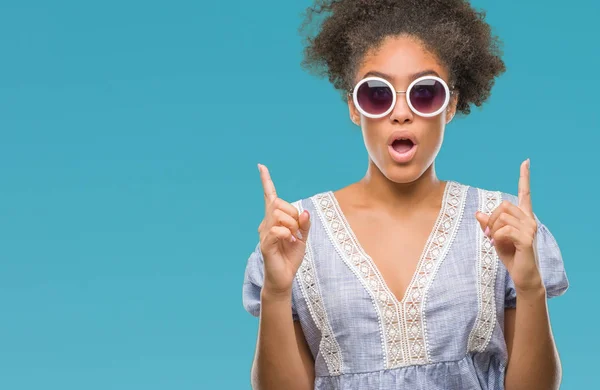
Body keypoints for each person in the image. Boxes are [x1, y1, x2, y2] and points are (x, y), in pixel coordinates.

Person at [242, 1, 569, 389]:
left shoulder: (504, 228)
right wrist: (277, 294)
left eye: (425, 93)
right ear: (353, 107)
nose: (400, 113)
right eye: (377, 94)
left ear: (451, 106)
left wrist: (530, 287)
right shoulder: (296, 234)